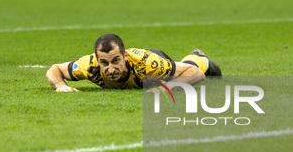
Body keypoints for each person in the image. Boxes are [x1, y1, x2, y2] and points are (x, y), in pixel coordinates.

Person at [46, 34, 222, 92]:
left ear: (125, 57)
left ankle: (201, 59)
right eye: (104, 63)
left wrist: (164, 90)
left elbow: (195, 74)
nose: (111, 69)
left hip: (152, 61)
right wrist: (61, 85)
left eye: (116, 61)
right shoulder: (89, 65)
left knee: (185, 70)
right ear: (98, 61)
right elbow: (54, 69)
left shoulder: (150, 65)